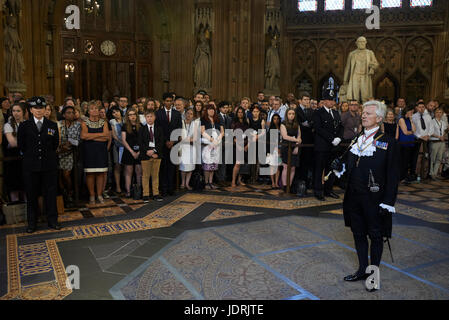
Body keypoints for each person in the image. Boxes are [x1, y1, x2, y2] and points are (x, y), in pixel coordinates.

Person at [331, 100, 399, 292]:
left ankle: (373, 276)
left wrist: (388, 202)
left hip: (375, 198)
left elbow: (393, 175)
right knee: (358, 233)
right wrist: (340, 166)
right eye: (363, 113)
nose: (364, 115)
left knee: (375, 237)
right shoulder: (356, 139)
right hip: (354, 196)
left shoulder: (388, 141)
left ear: (378, 118)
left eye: (368, 113)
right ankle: (362, 269)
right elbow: (352, 164)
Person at [17, 97, 61, 233]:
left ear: (45, 109)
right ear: (31, 110)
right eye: (36, 108)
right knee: (31, 195)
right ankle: (32, 223)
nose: (39, 110)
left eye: (41, 108)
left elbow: (55, 145)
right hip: (31, 166)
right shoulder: (24, 126)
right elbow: (22, 146)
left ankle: (52, 221)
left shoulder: (52, 125)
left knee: (50, 194)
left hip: (49, 166)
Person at [312, 85, 344, 201]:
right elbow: (318, 128)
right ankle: (318, 191)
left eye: (333, 100)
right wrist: (332, 139)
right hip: (322, 146)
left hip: (334, 147)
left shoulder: (335, 113)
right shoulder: (318, 113)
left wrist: (339, 138)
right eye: (330, 100)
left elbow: (340, 127)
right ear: (324, 101)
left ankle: (328, 190)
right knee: (319, 169)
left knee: (331, 169)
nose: (332, 102)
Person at [81, 101, 110, 205]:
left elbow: (106, 137)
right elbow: (83, 136)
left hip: (101, 152)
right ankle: (92, 196)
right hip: (89, 152)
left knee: (101, 173)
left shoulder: (104, 122)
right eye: (92, 108)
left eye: (96, 109)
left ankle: (99, 195)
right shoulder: (84, 123)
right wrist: (100, 135)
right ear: (88, 111)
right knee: (90, 174)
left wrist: (91, 136)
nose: (94, 110)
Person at [156, 93, 182, 196]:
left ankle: (171, 187)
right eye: (167, 101)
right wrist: (166, 141)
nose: (169, 102)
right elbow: (157, 129)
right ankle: (163, 188)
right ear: (163, 101)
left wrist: (172, 141)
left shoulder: (177, 113)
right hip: (162, 144)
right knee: (163, 167)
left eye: (171, 101)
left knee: (171, 167)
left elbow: (179, 128)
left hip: (173, 144)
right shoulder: (158, 113)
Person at [57, 105, 81, 206]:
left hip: (69, 153)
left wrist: (65, 146)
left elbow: (75, 139)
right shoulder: (58, 124)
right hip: (57, 152)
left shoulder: (77, 125)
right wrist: (60, 147)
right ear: (63, 114)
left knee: (66, 175)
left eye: (72, 112)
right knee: (58, 175)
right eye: (68, 112)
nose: (71, 114)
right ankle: (63, 193)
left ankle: (70, 191)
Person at [138, 110, 164, 203]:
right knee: (145, 175)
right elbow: (140, 143)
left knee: (155, 175)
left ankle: (155, 194)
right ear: (145, 118)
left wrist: (154, 151)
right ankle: (145, 194)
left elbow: (161, 142)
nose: (149, 118)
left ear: (154, 117)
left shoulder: (159, 128)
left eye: (151, 116)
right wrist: (148, 151)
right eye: (148, 116)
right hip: (145, 156)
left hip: (157, 155)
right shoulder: (142, 129)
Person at [3, 102, 26, 202]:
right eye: (13, 111)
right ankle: (16, 212)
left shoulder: (27, 123)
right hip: (13, 158)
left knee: (26, 187)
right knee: (14, 187)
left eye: (18, 111)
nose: (15, 113)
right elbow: (12, 143)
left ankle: (28, 212)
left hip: (25, 158)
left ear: (24, 112)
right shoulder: (8, 125)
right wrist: (26, 141)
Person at [201, 105, 224, 190]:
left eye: (213, 110)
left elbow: (222, 132)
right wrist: (211, 140)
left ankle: (211, 182)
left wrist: (217, 140)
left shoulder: (218, 119)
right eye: (209, 109)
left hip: (216, 144)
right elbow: (202, 131)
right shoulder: (203, 119)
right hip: (208, 144)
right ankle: (206, 182)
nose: (211, 111)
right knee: (207, 164)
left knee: (213, 164)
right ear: (206, 111)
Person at [121, 108, 142, 198]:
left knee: (139, 171)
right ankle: (128, 191)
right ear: (127, 116)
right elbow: (123, 140)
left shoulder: (141, 126)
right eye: (130, 115)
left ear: (136, 116)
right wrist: (132, 152)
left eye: (134, 114)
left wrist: (139, 152)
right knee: (128, 172)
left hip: (139, 152)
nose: (132, 116)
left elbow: (144, 140)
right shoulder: (125, 126)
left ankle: (139, 190)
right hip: (129, 151)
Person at [280, 109, 302, 191]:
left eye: (293, 114)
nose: (291, 115)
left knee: (293, 168)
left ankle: (290, 185)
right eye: (289, 114)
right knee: (286, 166)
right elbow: (285, 136)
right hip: (286, 147)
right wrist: (296, 140)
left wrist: (297, 146)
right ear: (287, 115)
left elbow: (299, 136)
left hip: (295, 147)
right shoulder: (283, 124)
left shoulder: (297, 124)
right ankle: (285, 186)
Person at [412, 101, 432, 181]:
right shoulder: (414, 116)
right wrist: (420, 136)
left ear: (425, 107)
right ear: (417, 108)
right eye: (420, 107)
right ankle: (416, 173)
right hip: (418, 140)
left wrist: (428, 135)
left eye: (423, 107)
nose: (421, 109)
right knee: (417, 157)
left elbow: (431, 127)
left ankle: (424, 173)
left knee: (426, 156)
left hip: (426, 139)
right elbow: (414, 129)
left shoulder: (428, 116)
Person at [179, 108, 199, 190]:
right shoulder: (181, 123)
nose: (189, 115)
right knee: (183, 166)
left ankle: (187, 183)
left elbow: (195, 138)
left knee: (190, 166)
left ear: (193, 116)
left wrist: (186, 140)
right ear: (185, 114)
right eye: (187, 113)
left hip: (191, 147)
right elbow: (179, 136)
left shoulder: (195, 124)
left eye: (191, 114)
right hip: (182, 147)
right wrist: (187, 139)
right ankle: (182, 183)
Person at [398, 105, 417, 183]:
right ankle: (401, 177)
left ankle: (405, 176)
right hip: (404, 142)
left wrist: (411, 120)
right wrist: (411, 132)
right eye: (410, 111)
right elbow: (405, 132)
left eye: (412, 112)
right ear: (406, 111)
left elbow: (414, 130)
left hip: (411, 142)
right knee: (403, 161)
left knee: (408, 161)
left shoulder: (410, 119)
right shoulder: (401, 119)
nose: (411, 113)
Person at [231, 107, 249, 187]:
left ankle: (239, 180)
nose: (240, 114)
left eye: (242, 112)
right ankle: (233, 181)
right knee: (237, 164)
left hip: (245, 144)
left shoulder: (246, 123)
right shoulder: (234, 122)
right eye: (239, 112)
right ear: (236, 113)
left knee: (242, 164)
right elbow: (233, 136)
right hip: (237, 145)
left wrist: (247, 145)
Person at [429, 107, 448, 180]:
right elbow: (430, 132)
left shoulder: (443, 122)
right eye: (437, 112)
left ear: (442, 114)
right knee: (433, 158)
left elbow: (444, 131)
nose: (438, 114)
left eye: (440, 112)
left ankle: (435, 173)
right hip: (434, 141)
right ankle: (431, 173)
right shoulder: (432, 121)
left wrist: (443, 136)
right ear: (434, 113)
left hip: (442, 142)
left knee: (439, 158)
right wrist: (439, 136)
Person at [110, 106, 124, 195]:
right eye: (113, 112)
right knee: (117, 166)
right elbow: (114, 135)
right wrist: (121, 141)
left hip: (127, 146)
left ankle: (127, 186)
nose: (116, 113)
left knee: (126, 167)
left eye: (117, 111)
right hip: (117, 146)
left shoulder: (125, 120)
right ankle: (118, 187)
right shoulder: (112, 122)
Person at [267, 114, 282, 189]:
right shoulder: (271, 129)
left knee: (278, 167)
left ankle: (276, 182)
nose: (276, 120)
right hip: (272, 150)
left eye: (277, 119)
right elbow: (269, 141)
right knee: (272, 167)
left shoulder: (281, 127)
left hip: (280, 149)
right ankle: (272, 182)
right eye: (274, 119)